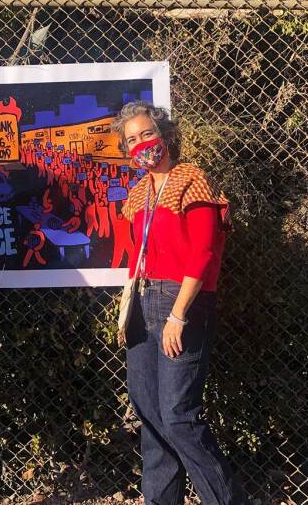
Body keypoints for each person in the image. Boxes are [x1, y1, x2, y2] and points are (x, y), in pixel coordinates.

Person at [116, 101, 246, 505]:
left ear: (164, 135)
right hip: (143, 301)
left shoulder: (193, 180)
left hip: (182, 303)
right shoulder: (137, 196)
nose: (142, 144)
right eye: (132, 140)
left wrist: (178, 314)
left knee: (178, 417)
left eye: (147, 135)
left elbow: (203, 253)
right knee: (152, 420)